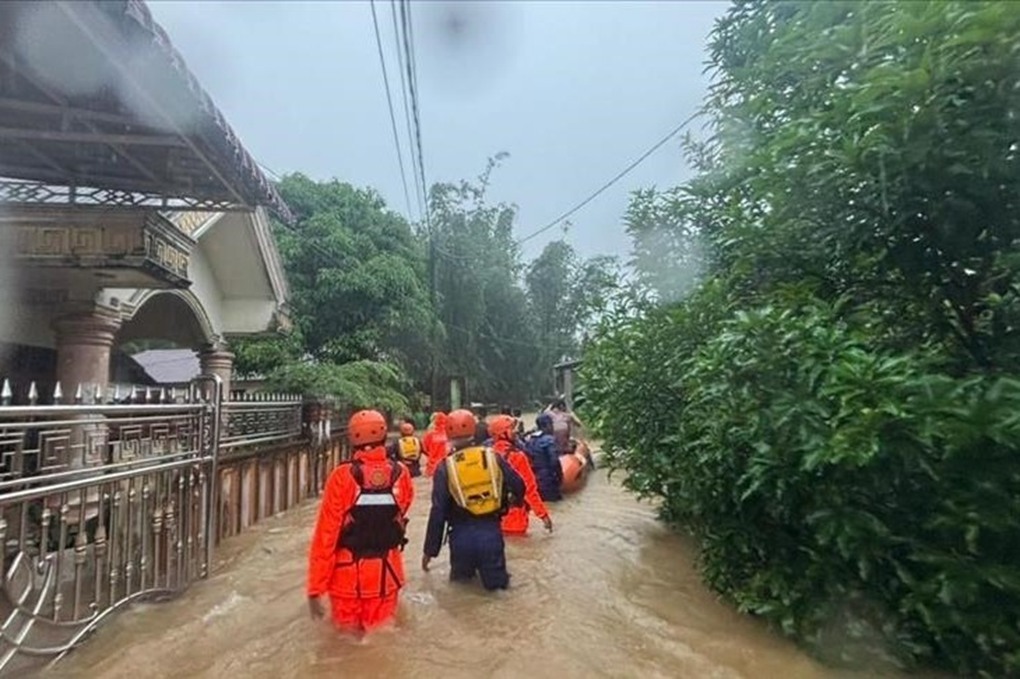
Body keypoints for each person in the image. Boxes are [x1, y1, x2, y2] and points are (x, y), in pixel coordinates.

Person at [307, 409, 414, 634]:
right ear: (384, 435)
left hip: (346, 579)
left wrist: (315, 588)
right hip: (386, 576)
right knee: (381, 639)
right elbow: (400, 511)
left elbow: (326, 535)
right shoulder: (402, 474)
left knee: (344, 643)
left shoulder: (341, 476)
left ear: (352, 438)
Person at [422, 409, 525, 591]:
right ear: (473, 429)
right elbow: (519, 486)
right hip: (491, 532)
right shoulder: (493, 457)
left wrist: (430, 551)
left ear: (448, 433)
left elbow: (438, 512)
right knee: (498, 591)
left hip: (460, 537)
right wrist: (512, 503)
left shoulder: (444, 467)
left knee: (461, 590)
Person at [488, 414, 553, 536]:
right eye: (511, 429)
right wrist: (543, 515)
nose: (516, 432)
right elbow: (529, 489)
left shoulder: (486, 455)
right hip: (514, 520)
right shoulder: (517, 457)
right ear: (503, 433)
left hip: (491, 521)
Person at [524, 412, 563, 502]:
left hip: (534, 480)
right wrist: (559, 476)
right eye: (551, 424)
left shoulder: (530, 440)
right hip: (548, 480)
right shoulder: (548, 440)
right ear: (546, 425)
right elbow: (554, 461)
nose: (553, 427)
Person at [422, 411, 449, 477]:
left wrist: (431, 453)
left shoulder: (430, 435)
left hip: (432, 467)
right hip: (446, 467)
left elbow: (424, 448)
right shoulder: (449, 434)